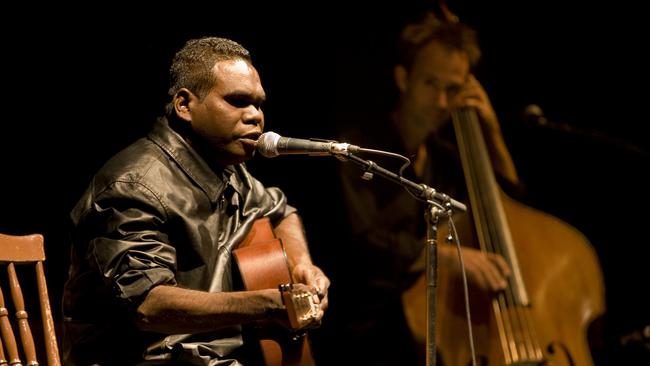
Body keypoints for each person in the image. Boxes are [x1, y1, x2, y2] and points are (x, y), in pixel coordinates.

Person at [62, 36, 330, 366]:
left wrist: (302, 265)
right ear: (185, 105)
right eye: (238, 101)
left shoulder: (228, 170)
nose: (255, 116)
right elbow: (149, 305)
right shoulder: (132, 186)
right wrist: (270, 304)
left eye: (259, 104)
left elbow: (281, 211)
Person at [325, 11, 516, 365]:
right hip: (366, 338)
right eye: (431, 84)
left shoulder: (449, 161)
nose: (442, 102)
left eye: (453, 89)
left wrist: (490, 129)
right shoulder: (359, 149)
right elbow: (363, 242)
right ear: (403, 78)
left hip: (432, 338)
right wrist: (443, 257)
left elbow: (512, 210)